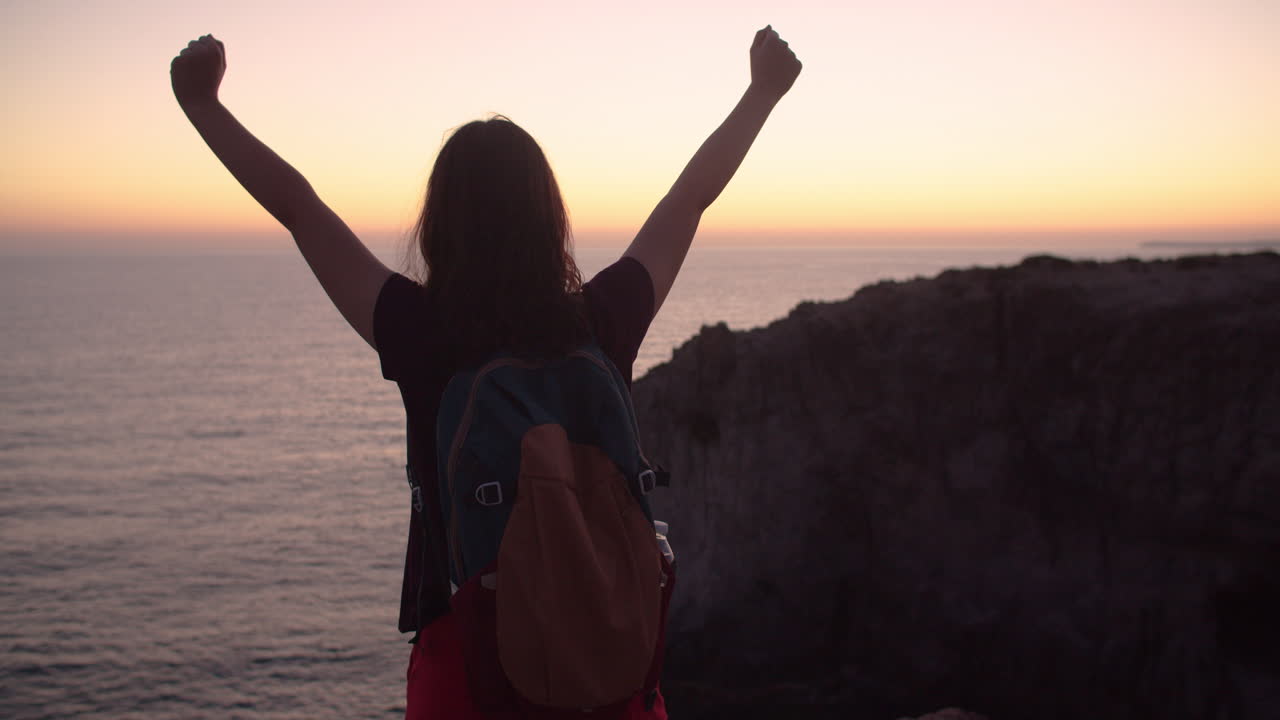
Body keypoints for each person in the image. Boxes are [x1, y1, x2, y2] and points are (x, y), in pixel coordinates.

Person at [171, 25, 801, 719]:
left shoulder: (419, 330)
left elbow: (299, 207)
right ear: (548, 217)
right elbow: (688, 201)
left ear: (440, 222)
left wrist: (203, 105)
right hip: (609, 655)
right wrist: (762, 92)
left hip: (468, 667)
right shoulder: (602, 319)